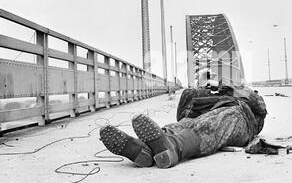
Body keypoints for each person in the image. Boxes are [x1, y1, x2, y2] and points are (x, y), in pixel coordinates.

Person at [99, 70, 267, 169]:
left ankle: (173, 149)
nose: (211, 80)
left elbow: (261, 106)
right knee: (179, 125)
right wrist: (197, 92)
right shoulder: (199, 94)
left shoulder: (238, 92)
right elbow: (182, 117)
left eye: (213, 76)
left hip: (240, 119)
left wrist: (230, 88)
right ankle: (145, 151)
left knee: (213, 122)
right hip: (202, 117)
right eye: (206, 79)